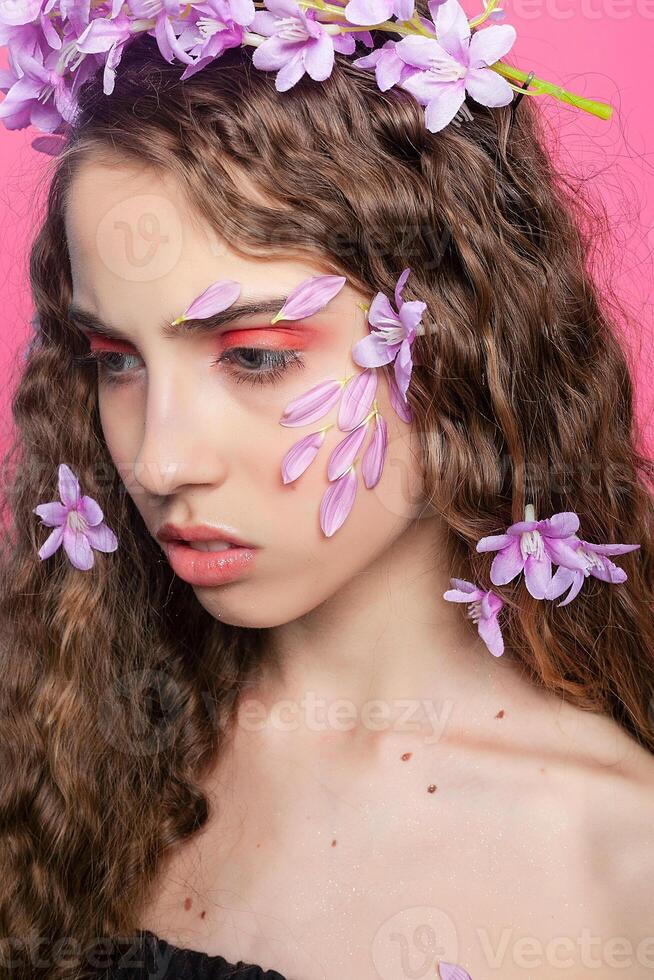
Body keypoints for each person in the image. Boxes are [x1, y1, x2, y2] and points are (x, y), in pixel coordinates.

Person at [0, 1, 653, 977]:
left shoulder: (616, 868)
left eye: (257, 355)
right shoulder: (51, 736)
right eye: (116, 360)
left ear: (457, 338)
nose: (162, 460)